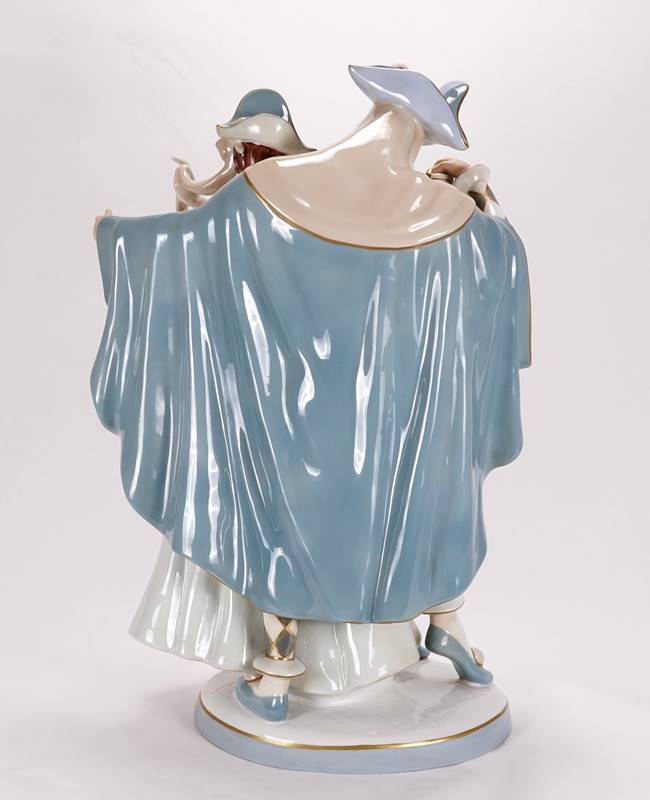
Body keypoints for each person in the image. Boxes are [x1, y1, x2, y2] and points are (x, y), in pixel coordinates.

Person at [91, 65, 530, 721]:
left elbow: (187, 243)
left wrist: (117, 238)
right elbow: (502, 269)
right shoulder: (456, 222)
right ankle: (445, 626)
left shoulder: (273, 191)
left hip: (302, 410)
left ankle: (277, 672)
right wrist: (480, 200)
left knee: (281, 516)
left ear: (375, 112)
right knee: (429, 502)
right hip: (400, 412)